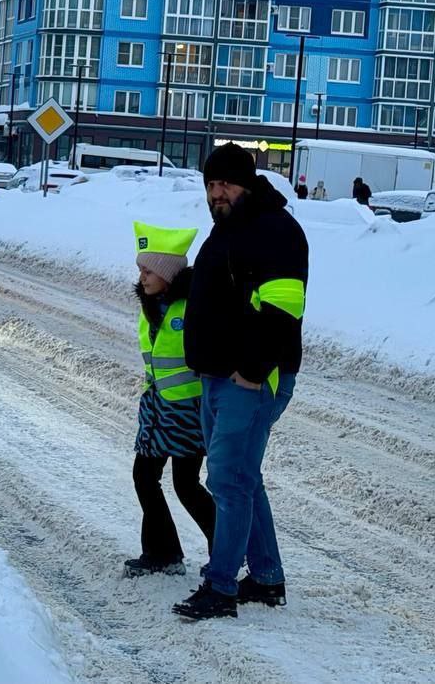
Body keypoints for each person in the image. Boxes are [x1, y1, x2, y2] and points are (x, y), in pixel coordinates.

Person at [172, 143, 308, 622]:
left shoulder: (276, 231)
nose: (216, 192)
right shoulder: (228, 230)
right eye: (210, 185)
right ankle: (267, 577)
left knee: (227, 481)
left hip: (250, 380)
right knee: (244, 480)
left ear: (246, 183)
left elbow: (282, 309)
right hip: (217, 375)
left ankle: (221, 586)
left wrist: (251, 372)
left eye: (225, 183)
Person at [125, 222, 217, 578]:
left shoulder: (189, 308)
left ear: (167, 272)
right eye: (140, 270)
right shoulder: (151, 308)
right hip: (158, 410)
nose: (143, 277)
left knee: (186, 485)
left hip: (186, 412)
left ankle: (223, 551)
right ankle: (163, 552)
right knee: (145, 477)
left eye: (149, 270)